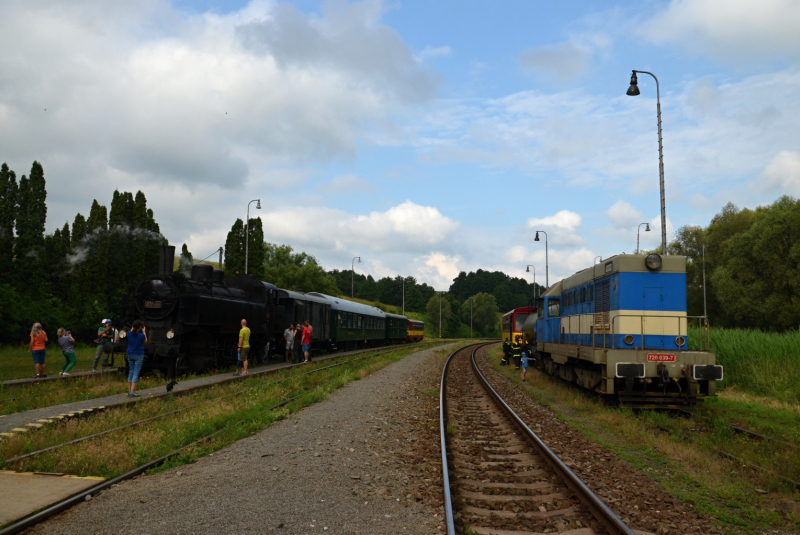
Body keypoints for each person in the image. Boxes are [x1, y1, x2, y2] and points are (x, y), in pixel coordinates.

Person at [126, 320, 147, 396]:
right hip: (138, 355)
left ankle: (129, 390)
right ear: (140, 327)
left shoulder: (128, 334)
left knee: (131, 371)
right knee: (136, 372)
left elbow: (131, 332)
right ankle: (132, 391)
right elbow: (145, 341)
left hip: (130, 354)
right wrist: (144, 331)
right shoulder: (141, 335)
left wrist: (133, 328)